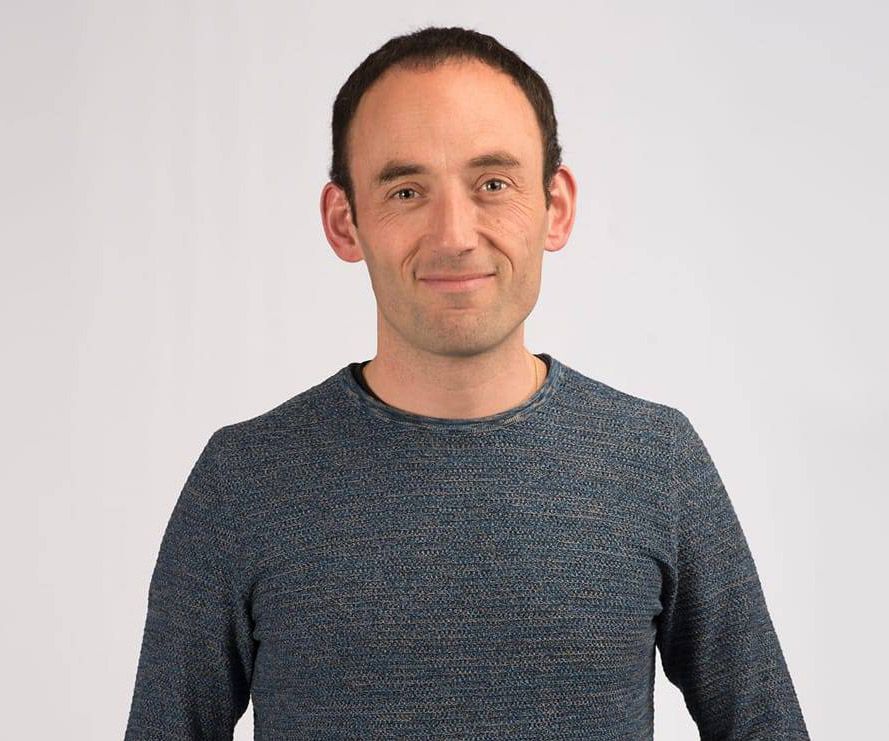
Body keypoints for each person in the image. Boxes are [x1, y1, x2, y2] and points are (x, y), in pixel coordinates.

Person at [124, 25, 809, 739]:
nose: (454, 234)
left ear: (556, 207)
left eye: (492, 184)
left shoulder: (654, 460)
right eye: (406, 190)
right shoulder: (244, 480)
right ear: (344, 222)